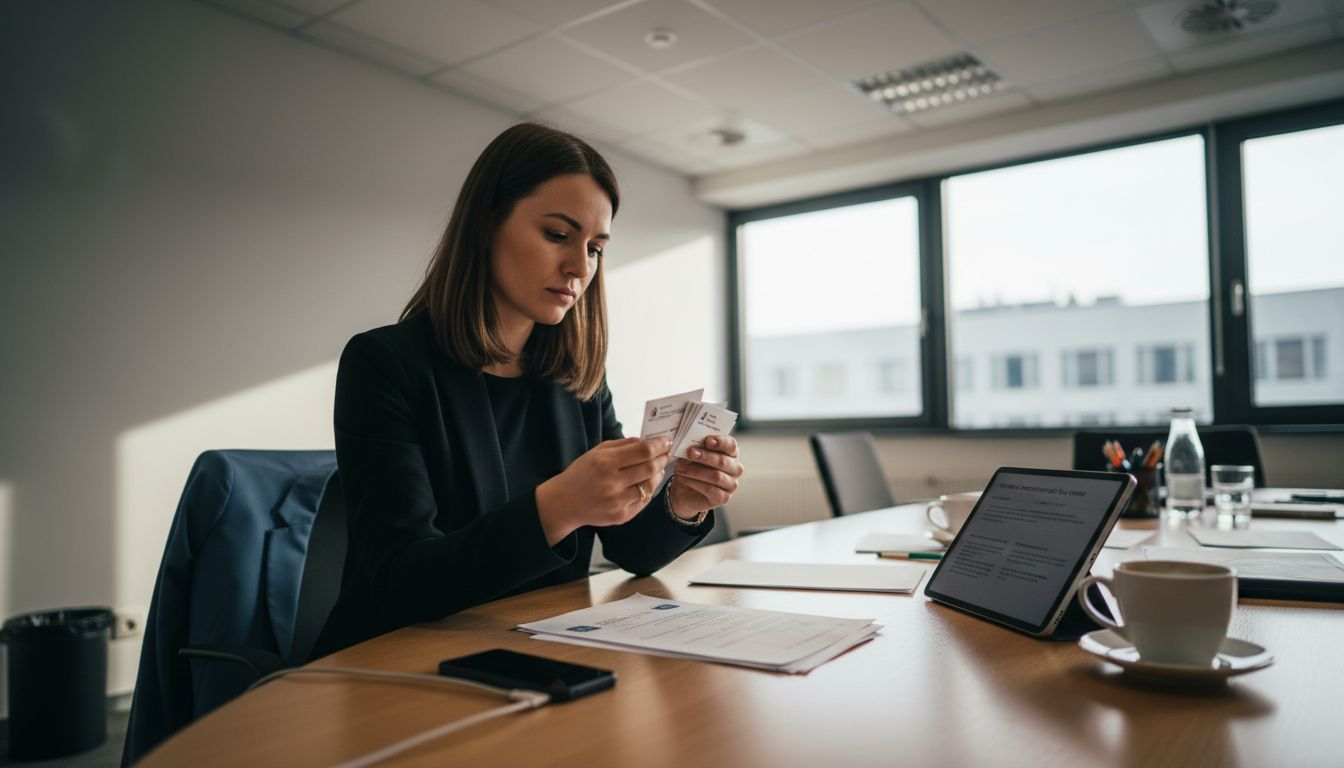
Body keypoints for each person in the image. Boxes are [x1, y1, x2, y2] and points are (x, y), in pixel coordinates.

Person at [313, 123, 744, 656]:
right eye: (558, 235)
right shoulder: (385, 364)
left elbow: (630, 545)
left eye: (595, 249)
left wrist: (682, 503)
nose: (578, 267)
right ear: (485, 224)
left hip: (532, 651)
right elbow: (403, 584)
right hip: (397, 663)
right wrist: (558, 506)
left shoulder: (577, 377)